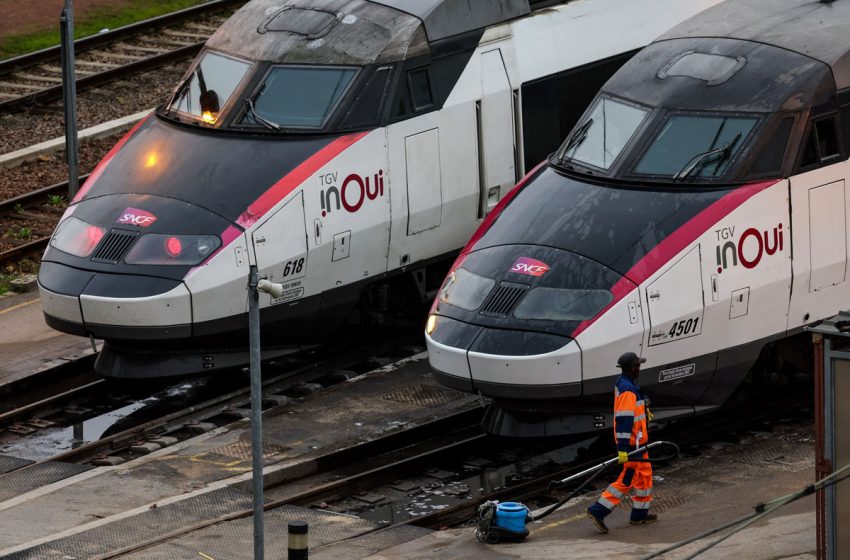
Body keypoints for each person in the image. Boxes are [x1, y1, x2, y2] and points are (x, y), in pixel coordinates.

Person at [586, 351, 656, 533]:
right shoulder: (627, 389)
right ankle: (598, 510)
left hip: (640, 442)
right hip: (633, 444)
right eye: (638, 365)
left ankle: (640, 515)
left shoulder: (628, 384)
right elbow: (625, 418)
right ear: (633, 367)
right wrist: (623, 448)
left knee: (645, 477)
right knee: (628, 479)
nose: (640, 368)